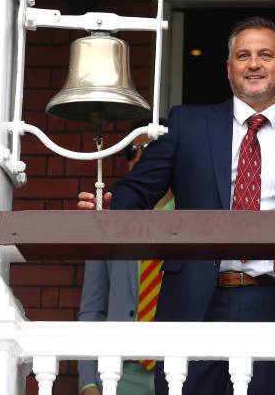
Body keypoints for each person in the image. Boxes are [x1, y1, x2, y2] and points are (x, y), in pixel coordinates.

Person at [111, 16, 275, 395]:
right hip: (194, 302)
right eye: (243, 55)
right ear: (229, 68)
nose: (253, 64)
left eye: (265, 55)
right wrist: (109, 209)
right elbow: (136, 191)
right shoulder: (188, 123)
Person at [77, 119, 174, 395]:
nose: (140, 156)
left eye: (151, 149)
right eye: (131, 150)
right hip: (117, 374)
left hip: (176, 370)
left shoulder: (192, 218)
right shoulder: (109, 219)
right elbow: (93, 309)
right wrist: (88, 382)